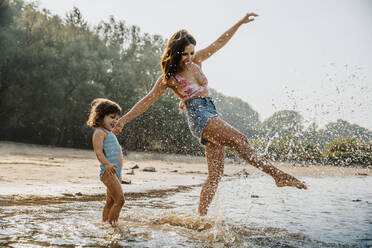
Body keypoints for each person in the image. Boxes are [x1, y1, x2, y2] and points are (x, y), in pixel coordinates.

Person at [114, 13, 307, 216]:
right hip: (199, 117)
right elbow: (147, 100)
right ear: (176, 53)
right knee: (240, 140)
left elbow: (219, 43)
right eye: (185, 54)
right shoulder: (169, 78)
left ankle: (201, 219)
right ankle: (278, 176)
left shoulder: (197, 61)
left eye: (191, 53)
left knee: (215, 176)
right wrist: (124, 120)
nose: (189, 58)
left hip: (211, 112)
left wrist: (239, 23)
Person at [87, 98, 125, 225]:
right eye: (111, 117)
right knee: (120, 200)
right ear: (101, 116)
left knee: (111, 201)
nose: (115, 120)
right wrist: (107, 164)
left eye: (117, 118)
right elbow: (98, 152)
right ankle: (113, 226)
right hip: (108, 172)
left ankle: (104, 223)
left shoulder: (110, 133)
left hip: (116, 172)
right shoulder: (99, 132)